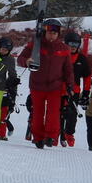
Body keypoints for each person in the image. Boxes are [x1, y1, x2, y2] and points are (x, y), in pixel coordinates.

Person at [17, 18, 74, 148]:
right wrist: (26, 62)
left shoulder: (64, 48)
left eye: (54, 33)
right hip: (37, 85)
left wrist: (70, 85)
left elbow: (68, 70)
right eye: (49, 32)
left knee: (54, 113)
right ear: (45, 31)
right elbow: (20, 59)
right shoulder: (35, 44)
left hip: (55, 86)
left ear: (58, 33)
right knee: (37, 112)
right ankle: (38, 137)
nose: (52, 35)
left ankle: (51, 136)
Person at [58, 31, 91, 147]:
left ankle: (69, 134)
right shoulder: (59, 56)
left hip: (74, 91)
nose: (73, 47)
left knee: (72, 114)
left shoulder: (82, 59)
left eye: (75, 45)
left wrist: (86, 93)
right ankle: (56, 134)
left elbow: (87, 77)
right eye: (70, 44)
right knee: (58, 113)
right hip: (59, 90)